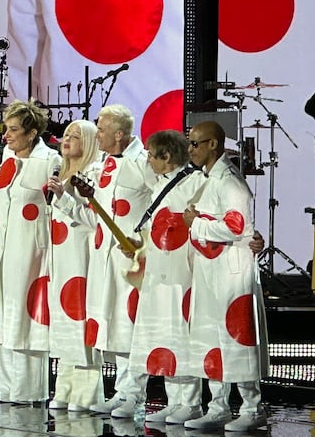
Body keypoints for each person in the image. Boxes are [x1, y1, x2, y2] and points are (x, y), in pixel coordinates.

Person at [0, 99, 62, 404]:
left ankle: (27, 391)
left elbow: (55, 207)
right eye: (4, 129)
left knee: (26, 317)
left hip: (30, 250)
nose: (6, 136)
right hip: (1, 248)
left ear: (32, 132)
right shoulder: (8, 156)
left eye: (13, 130)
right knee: (2, 312)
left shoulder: (49, 160)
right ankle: (4, 387)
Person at [182, 121, 269, 432]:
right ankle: (217, 405)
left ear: (213, 145)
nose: (190, 149)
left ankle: (252, 406)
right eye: (189, 143)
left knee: (236, 338)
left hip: (231, 272)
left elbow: (236, 227)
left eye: (195, 143)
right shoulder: (206, 180)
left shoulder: (230, 182)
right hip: (209, 271)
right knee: (210, 337)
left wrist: (196, 223)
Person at [68, 104, 154, 419]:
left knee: (129, 325)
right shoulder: (103, 166)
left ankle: (135, 396)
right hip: (102, 259)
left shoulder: (143, 163)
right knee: (113, 326)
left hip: (130, 261)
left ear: (118, 134)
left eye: (101, 129)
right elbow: (97, 216)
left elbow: (162, 205)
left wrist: (144, 242)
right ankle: (121, 392)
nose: (97, 134)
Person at [125, 130, 205, 425]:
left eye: (150, 155)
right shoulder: (161, 184)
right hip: (159, 273)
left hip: (180, 274)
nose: (147, 160)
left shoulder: (194, 183)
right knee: (164, 334)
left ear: (166, 157)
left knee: (180, 332)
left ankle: (191, 402)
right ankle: (174, 400)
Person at [45, 119, 105, 412]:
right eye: (66, 135)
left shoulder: (91, 175)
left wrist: (63, 198)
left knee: (79, 316)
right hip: (59, 255)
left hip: (81, 255)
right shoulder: (59, 172)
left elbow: (95, 218)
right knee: (63, 319)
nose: (66, 140)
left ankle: (86, 393)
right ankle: (65, 387)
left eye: (75, 136)